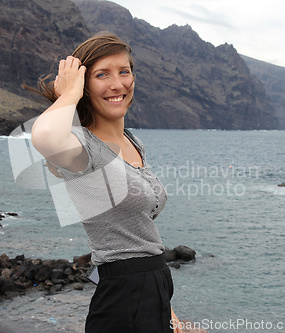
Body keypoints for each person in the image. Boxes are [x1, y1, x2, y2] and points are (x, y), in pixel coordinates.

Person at [29, 32, 175, 333]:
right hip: (121, 301)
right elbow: (43, 136)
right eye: (102, 75)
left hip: (154, 291)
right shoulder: (82, 148)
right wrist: (68, 95)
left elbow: (142, 242)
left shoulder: (132, 142)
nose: (117, 83)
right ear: (84, 84)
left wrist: (169, 313)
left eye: (124, 71)